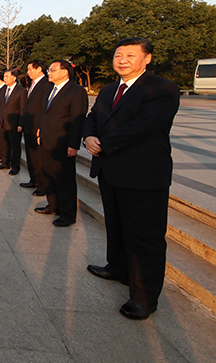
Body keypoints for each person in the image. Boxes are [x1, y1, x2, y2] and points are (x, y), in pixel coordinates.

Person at [83, 37, 180, 320]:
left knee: (145, 236)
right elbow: (92, 117)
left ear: (147, 58)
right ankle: (117, 268)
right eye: (118, 55)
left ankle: (144, 298)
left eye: (130, 55)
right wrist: (88, 136)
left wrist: (103, 143)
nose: (122, 60)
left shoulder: (162, 88)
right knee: (116, 226)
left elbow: (144, 126)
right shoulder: (109, 90)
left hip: (143, 174)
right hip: (110, 170)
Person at [35, 60, 88, 226]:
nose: (49, 72)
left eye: (52, 70)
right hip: (46, 139)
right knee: (48, 174)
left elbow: (78, 119)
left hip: (63, 142)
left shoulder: (76, 91)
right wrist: (40, 130)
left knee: (64, 179)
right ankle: (53, 205)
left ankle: (67, 214)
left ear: (65, 72)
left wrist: (73, 144)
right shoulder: (49, 89)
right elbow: (44, 113)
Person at [20, 60, 50, 193]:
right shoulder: (33, 84)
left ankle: (43, 185)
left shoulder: (46, 84)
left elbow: (45, 108)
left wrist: (41, 126)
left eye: (30, 69)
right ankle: (34, 179)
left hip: (37, 126)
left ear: (39, 69)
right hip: (29, 125)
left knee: (39, 157)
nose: (28, 72)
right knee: (31, 155)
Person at [0, 69, 26, 174]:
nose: (5, 78)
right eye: (4, 76)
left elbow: (23, 109)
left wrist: (21, 123)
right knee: (3, 144)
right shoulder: (2, 90)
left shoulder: (21, 91)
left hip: (14, 124)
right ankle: (5, 162)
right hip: (2, 122)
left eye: (7, 76)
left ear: (14, 78)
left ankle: (15, 166)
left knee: (15, 146)